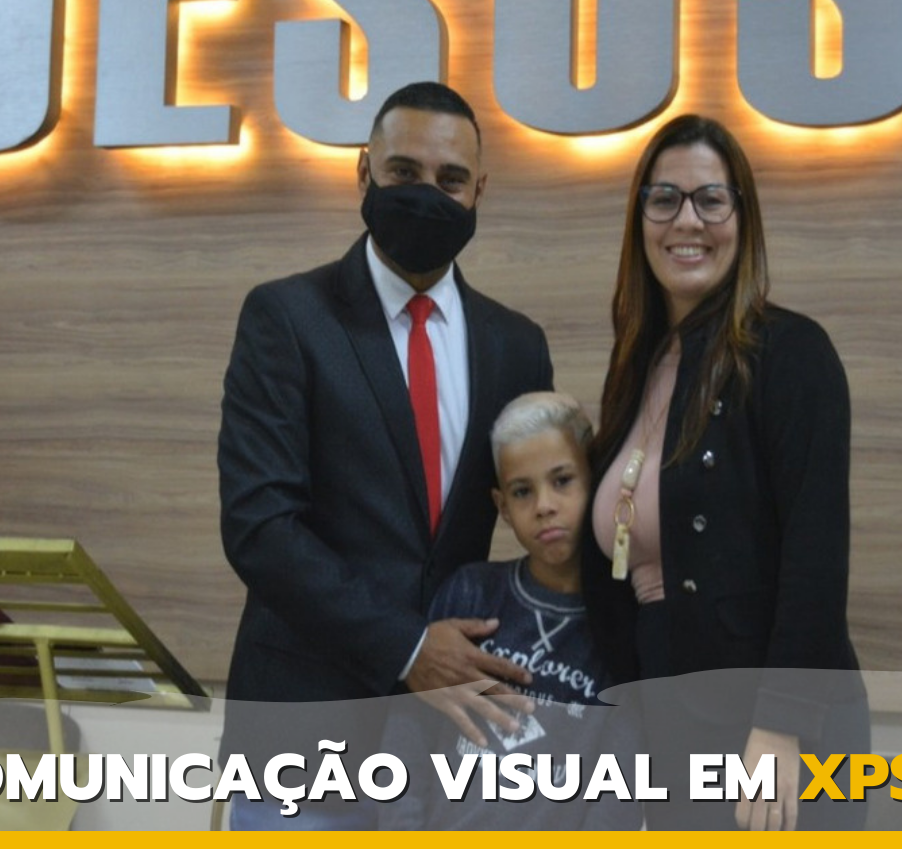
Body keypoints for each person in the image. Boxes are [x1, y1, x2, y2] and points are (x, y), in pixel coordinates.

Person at [218, 81, 554, 829]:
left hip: (449, 749)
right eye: (404, 172)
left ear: (479, 192)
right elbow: (260, 527)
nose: (427, 195)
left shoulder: (517, 347)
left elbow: (539, 519)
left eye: (451, 180)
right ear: (363, 171)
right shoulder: (287, 318)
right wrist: (407, 648)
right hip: (300, 740)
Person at [583, 113, 868, 831]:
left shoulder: (790, 353)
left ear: (743, 218)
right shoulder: (640, 367)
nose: (688, 220)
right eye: (665, 199)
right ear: (640, 221)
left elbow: (815, 554)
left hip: (769, 732)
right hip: (671, 712)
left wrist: (781, 726)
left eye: (712, 199)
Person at [380, 391, 642, 830]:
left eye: (562, 481)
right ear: (502, 506)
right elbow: (407, 743)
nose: (544, 506)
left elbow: (621, 787)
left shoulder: (623, 623)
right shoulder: (470, 593)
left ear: (596, 479)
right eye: (523, 491)